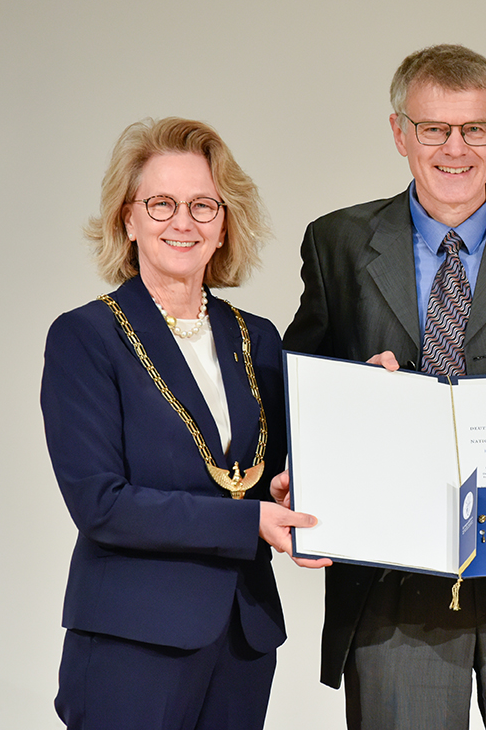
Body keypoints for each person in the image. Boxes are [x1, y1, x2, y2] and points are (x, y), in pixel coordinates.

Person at [277, 44, 486, 729]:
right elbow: (299, 389)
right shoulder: (338, 242)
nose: (455, 148)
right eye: (434, 128)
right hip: (392, 595)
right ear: (400, 132)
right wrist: (320, 454)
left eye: (474, 128)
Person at [40, 117, 325, 729]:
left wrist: (285, 491)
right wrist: (250, 519)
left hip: (242, 638)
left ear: (225, 224)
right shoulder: (85, 338)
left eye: (203, 205)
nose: (183, 221)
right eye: (162, 203)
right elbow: (101, 503)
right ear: (128, 217)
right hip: (132, 641)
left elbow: (264, 475)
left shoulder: (257, 339)